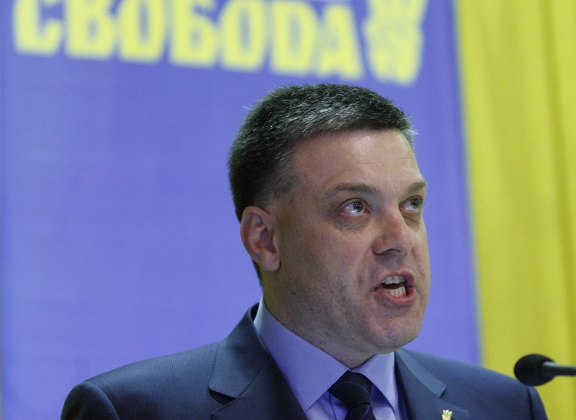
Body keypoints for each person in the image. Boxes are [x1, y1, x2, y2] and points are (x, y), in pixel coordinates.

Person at [62, 84, 548, 419]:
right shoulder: (134, 411)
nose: (400, 238)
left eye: (411, 205)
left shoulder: (504, 408)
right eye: (355, 207)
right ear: (264, 239)